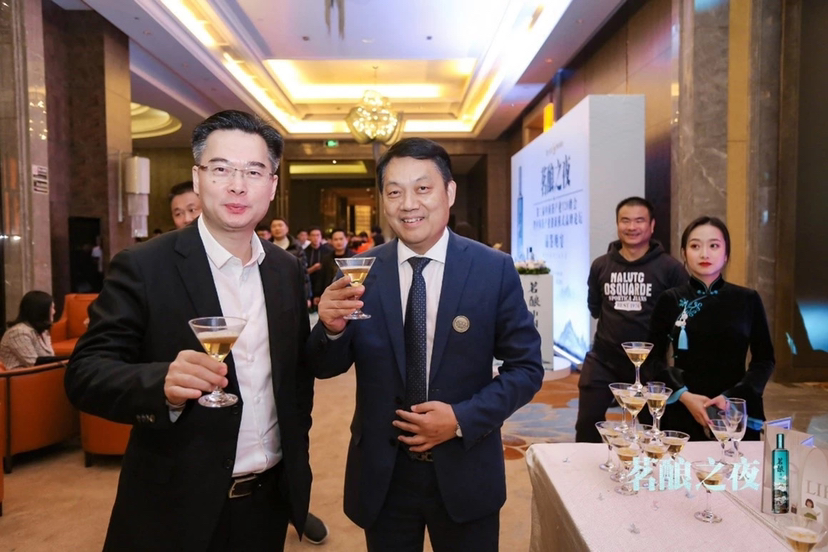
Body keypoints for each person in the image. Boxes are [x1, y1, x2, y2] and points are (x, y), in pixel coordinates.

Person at [65, 110, 315, 551]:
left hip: (268, 501)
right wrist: (161, 381)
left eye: (253, 171)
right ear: (198, 179)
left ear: (272, 185)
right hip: (175, 505)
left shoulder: (285, 269)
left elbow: (295, 379)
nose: (237, 185)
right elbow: (85, 373)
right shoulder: (145, 266)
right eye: (221, 169)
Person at [308, 137, 544, 551]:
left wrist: (460, 418)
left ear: (449, 192)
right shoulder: (360, 271)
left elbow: (526, 368)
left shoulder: (492, 269)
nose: (408, 204)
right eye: (394, 192)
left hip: (466, 463)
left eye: (422, 188)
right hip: (384, 472)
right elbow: (325, 367)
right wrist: (330, 328)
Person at [643, 216, 774, 441]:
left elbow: (764, 360)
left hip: (734, 408)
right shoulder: (670, 299)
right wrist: (684, 396)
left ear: (726, 254)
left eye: (714, 246)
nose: (704, 254)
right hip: (684, 405)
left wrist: (732, 397)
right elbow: (652, 359)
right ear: (684, 253)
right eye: (695, 246)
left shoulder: (747, 299)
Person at [574, 197, 688, 442]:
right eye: (625, 220)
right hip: (604, 358)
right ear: (617, 224)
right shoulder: (601, 265)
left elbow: (681, 317)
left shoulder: (670, 269)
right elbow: (595, 307)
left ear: (652, 225)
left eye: (639, 221)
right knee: (586, 424)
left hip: (649, 365)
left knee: (649, 430)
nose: (632, 227)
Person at [0, 291, 55, 369]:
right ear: (41, 310)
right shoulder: (18, 332)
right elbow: (34, 363)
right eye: (52, 308)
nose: (54, 312)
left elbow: (50, 359)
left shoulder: (43, 331)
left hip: (45, 373)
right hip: (23, 375)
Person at [271, 217, 312, 309]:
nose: (277, 228)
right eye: (274, 226)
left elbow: (303, 273)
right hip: (272, 291)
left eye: (280, 225)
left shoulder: (297, 247)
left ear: (287, 228)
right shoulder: (265, 247)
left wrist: (307, 296)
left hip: (293, 290)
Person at [305, 227, 332, 307]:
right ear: (309, 237)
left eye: (318, 235)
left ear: (321, 237)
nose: (315, 238)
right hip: (310, 285)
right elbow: (302, 272)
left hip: (325, 284)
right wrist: (313, 268)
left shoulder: (328, 251)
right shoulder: (304, 252)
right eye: (313, 235)